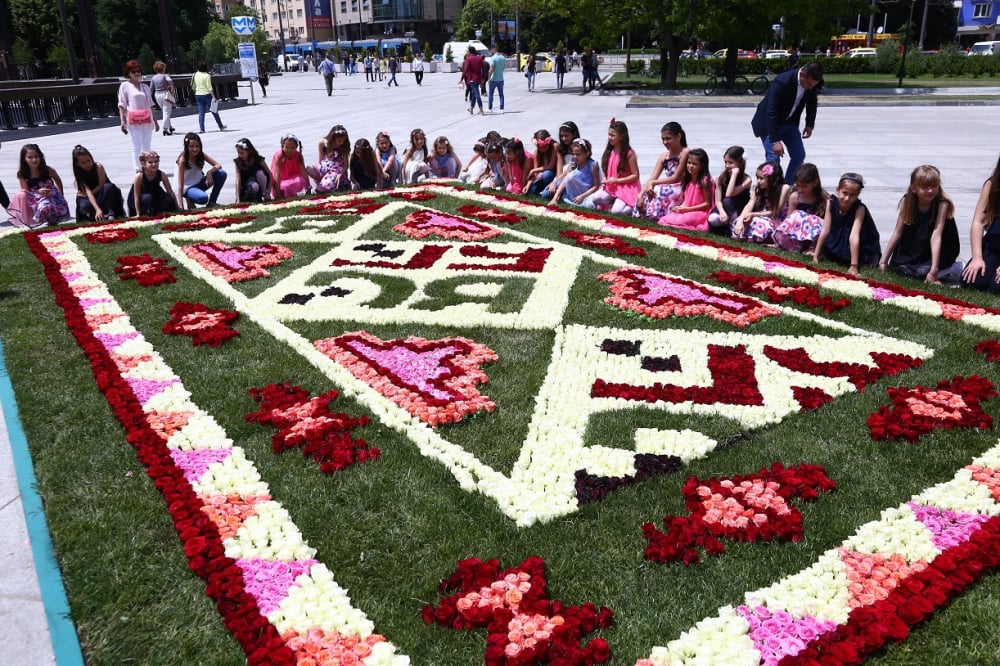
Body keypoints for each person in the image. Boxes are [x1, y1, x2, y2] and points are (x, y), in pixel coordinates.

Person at [880, 165, 962, 284]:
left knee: (922, 273)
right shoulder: (907, 202)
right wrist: (884, 261)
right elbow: (898, 232)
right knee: (902, 270)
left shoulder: (942, 205)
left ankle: (951, 267)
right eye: (924, 187)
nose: (930, 191)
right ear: (914, 188)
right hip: (916, 247)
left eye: (934, 186)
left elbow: (936, 235)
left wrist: (934, 270)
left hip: (939, 248)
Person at [750, 60, 823, 185]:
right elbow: (771, 111)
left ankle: (786, 187)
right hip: (769, 123)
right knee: (773, 159)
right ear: (802, 76)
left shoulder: (812, 83)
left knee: (799, 155)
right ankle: (771, 190)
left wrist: (810, 124)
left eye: (813, 85)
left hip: (789, 122)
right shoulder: (782, 81)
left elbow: (812, 102)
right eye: (808, 84)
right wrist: (776, 140)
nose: (811, 87)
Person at [813, 172, 881, 277]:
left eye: (852, 195)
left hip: (857, 243)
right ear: (837, 190)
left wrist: (854, 265)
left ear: (858, 194)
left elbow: (854, 236)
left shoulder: (859, 209)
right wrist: (816, 255)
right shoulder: (830, 203)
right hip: (837, 239)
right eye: (844, 193)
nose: (847, 198)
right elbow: (825, 230)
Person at [5, 144, 70, 228]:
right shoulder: (23, 174)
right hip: (35, 199)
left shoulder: (48, 170)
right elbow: (26, 192)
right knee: (23, 195)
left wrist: (61, 195)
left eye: (36, 156)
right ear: (24, 159)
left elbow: (58, 180)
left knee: (49, 205)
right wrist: (38, 192)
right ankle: (31, 219)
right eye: (30, 157)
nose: (34, 160)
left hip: (51, 196)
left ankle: (52, 219)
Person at [636, 121, 689, 221]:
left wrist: (653, 183)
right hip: (669, 184)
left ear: (678, 137)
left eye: (668, 138)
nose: (665, 142)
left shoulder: (685, 152)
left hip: (680, 186)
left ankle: (655, 215)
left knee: (659, 190)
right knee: (650, 189)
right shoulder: (664, 156)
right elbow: (652, 177)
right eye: (663, 139)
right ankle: (646, 213)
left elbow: (676, 178)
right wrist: (641, 194)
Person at [963, 153, 1000, 292]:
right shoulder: (992, 185)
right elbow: (978, 222)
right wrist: (977, 258)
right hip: (993, 245)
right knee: (972, 281)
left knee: (996, 289)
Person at [773, 163, 829, 253]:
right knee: (797, 214)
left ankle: (812, 247)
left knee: (813, 219)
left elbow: (826, 222)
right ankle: (796, 244)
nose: (801, 189)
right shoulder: (795, 197)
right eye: (798, 185)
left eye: (804, 186)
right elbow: (789, 218)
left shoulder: (823, 199)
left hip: (814, 235)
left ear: (815, 183)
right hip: (797, 235)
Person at [118, 60, 159, 172]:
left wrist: (155, 121)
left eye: (138, 71)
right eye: (133, 71)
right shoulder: (124, 86)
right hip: (133, 120)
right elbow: (122, 105)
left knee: (147, 145)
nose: (137, 73)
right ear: (128, 73)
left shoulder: (145, 87)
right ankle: (137, 167)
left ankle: (146, 165)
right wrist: (122, 121)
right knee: (136, 145)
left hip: (146, 118)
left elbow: (150, 105)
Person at [658, 148, 714, 230]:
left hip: (699, 212)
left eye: (694, 164)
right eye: (689, 163)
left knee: (681, 221)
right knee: (665, 219)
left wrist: (687, 209)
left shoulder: (704, 181)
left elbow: (707, 204)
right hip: (688, 210)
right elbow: (687, 199)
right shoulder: (688, 179)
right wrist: (681, 207)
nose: (690, 166)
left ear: (702, 165)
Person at [733, 161, 790, 243]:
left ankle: (765, 237)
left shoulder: (784, 188)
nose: (759, 181)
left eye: (762, 178)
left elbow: (777, 210)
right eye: (757, 178)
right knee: (745, 220)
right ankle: (751, 236)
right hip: (763, 215)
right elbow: (749, 205)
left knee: (758, 222)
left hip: (777, 219)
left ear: (772, 179)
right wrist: (740, 221)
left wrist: (754, 214)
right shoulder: (759, 189)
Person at [592, 119, 640, 214]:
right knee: (595, 199)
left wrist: (617, 180)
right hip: (612, 186)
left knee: (616, 212)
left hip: (625, 186)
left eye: (613, 135)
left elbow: (635, 175)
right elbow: (606, 171)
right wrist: (605, 179)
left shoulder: (629, 154)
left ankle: (632, 207)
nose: (609, 138)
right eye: (609, 135)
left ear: (622, 137)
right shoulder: (610, 151)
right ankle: (614, 201)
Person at [71, 145, 126, 222]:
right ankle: (94, 215)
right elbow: (88, 192)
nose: (87, 164)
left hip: (103, 193)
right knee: (83, 202)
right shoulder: (79, 174)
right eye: (83, 163)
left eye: (88, 160)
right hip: (90, 196)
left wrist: (89, 194)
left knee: (108, 187)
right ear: (77, 164)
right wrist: (97, 209)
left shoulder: (98, 166)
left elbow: (101, 185)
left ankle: (111, 213)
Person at [707, 146, 752, 236]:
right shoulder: (720, 177)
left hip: (738, 209)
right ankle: (726, 225)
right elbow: (718, 200)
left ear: (740, 163)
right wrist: (722, 212)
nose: (727, 165)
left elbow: (729, 194)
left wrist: (734, 175)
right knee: (712, 218)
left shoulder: (747, 180)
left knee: (728, 201)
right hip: (724, 208)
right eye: (725, 162)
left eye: (731, 163)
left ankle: (732, 225)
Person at [176, 133, 228, 209]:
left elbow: (218, 165)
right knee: (203, 198)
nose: (195, 149)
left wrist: (209, 172)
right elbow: (180, 185)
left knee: (221, 173)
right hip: (187, 188)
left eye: (197, 146)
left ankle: (212, 202)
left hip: (199, 183)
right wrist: (180, 205)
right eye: (191, 146)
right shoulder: (182, 160)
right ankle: (190, 199)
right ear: (186, 147)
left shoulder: (200, 154)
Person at [548, 138, 602, 208]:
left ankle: (579, 201)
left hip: (587, 194)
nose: (575, 157)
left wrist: (582, 196)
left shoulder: (593, 165)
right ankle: (570, 199)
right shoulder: (574, 163)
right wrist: (554, 198)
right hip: (574, 194)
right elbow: (565, 180)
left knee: (589, 205)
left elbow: (596, 186)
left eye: (578, 154)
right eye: (573, 154)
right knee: (570, 176)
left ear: (587, 154)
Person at [127, 151, 178, 217]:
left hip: (155, 192)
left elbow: (170, 192)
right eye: (150, 162)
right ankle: (145, 213)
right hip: (142, 196)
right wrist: (138, 214)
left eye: (156, 162)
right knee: (148, 198)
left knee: (168, 199)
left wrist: (177, 206)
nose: (154, 164)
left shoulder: (162, 174)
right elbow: (136, 196)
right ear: (144, 164)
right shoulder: (139, 176)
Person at [307, 125, 351, 192]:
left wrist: (340, 174)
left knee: (328, 183)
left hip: (337, 168)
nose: (341, 143)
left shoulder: (343, 146)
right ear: (333, 138)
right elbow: (320, 160)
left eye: (343, 141)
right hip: (325, 166)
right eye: (339, 141)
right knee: (308, 168)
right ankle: (323, 180)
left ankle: (330, 184)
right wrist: (321, 171)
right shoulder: (322, 143)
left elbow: (346, 164)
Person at [271, 134, 310, 199]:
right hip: (281, 179)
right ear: (282, 146)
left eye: (292, 148)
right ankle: (284, 194)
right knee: (284, 187)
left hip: (294, 176)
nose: (289, 150)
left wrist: (309, 187)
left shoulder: (298, 155)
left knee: (301, 181)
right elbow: (277, 175)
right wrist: (277, 192)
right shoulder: (279, 156)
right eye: (287, 147)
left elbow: (304, 172)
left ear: (296, 147)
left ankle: (296, 193)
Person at [234, 138, 272, 203]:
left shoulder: (258, 159)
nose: (240, 155)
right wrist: (238, 199)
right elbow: (238, 180)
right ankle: (251, 198)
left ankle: (264, 194)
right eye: (238, 153)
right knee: (254, 186)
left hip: (260, 183)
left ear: (249, 151)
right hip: (247, 186)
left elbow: (270, 175)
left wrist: (268, 192)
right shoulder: (239, 162)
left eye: (242, 153)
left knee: (260, 173)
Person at [192, 61, 226, 134]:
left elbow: (193, 86)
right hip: (207, 95)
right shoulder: (207, 76)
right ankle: (220, 126)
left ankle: (202, 129)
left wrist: (196, 92)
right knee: (214, 111)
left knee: (201, 113)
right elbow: (209, 88)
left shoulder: (195, 75)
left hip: (198, 95)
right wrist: (213, 97)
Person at [524, 130, 558, 195]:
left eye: (544, 147)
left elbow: (551, 166)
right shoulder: (537, 152)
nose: (542, 149)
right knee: (532, 190)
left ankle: (550, 190)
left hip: (553, 176)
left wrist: (533, 170)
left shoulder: (554, 147)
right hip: (541, 178)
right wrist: (528, 185)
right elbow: (536, 174)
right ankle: (544, 189)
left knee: (547, 174)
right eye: (540, 147)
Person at [150, 60, 176, 136]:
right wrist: (172, 88)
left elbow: (151, 88)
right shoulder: (165, 75)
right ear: (163, 68)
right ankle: (165, 129)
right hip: (165, 94)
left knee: (165, 111)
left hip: (157, 95)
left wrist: (149, 98)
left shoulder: (154, 77)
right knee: (166, 112)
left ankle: (170, 126)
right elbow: (170, 81)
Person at [462, 46, 486, 115]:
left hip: (472, 79)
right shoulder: (479, 58)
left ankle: (481, 109)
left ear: (469, 51)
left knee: (477, 94)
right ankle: (471, 109)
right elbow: (483, 69)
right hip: (478, 79)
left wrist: (461, 78)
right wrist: (483, 78)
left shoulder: (468, 59)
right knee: (473, 94)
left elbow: (465, 70)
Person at [487, 45, 506, 113]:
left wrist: (488, 78)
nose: (490, 51)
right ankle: (501, 109)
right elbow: (503, 68)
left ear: (493, 49)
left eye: (490, 50)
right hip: (501, 79)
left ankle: (490, 108)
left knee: (491, 94)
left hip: (493, 79)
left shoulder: (493, 58)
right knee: (501, 94)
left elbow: (491, 69)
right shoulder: (503, 58)